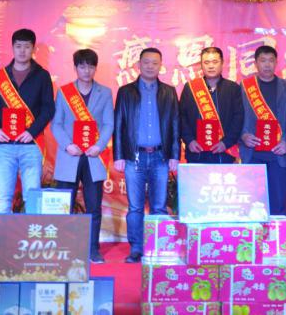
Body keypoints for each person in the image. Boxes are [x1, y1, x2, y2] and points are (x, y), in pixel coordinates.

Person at [0, 29, 55, 264]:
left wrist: (31, 131)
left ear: (33, 49)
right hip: (5, 146)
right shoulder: (0, 77)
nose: (22, 50)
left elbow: (48, 108)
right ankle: (2, 248)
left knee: (31, 196)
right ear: (12, 47)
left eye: (27, 46)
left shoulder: (42, 76)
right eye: (18, 46)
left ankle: (30, 248)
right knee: (3, 197)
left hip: (30, 145)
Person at [113, 47, 180, 263]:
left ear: (161, 66)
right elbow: (119, 124)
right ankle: (137, 249)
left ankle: (158, 248)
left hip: (161, 157)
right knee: (135, 207)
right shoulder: (126, 92)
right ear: (138, 65)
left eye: (155, 63)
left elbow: (175, 124)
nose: (150, 66)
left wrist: (175, 154)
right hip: (134, 157)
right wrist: (118, 155)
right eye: (146, 62)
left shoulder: (169, 92)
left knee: (159, 206)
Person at [50, 48, 113, 263]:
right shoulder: (64, 92)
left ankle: (92, 249)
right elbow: (56, 123)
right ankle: (64, 248)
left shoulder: (105, 92)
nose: (87, 71)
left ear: (96, 68)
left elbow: (108, 123)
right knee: (64, 206)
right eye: (82, 66)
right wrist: (67, 145)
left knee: (93, 206)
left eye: (91, 66)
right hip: (70, 155)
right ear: (75, 68)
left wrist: (99, 145)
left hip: (93, 156)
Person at [239, 45, 286, 217]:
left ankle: (276, 235)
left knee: (278, 202)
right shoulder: (244, 87)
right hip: (252, 154)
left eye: (271, 60)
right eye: (263, 60)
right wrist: (243, 135)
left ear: (276, 63)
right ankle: (251, 235)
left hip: (278, 155)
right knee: (252, 203)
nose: (267, 64)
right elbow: (235, 117)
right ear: (256, 63)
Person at [179, 46, 244, 164]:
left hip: (224, 152)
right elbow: (181, 117)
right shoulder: (190, 88)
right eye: (206, 62)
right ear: (201, 65)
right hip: (196, 152)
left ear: (222, 63)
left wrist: (226, 143)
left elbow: (238, 118)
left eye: (215, 62)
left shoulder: (233, 88)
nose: (211, 66)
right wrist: (190, 140)